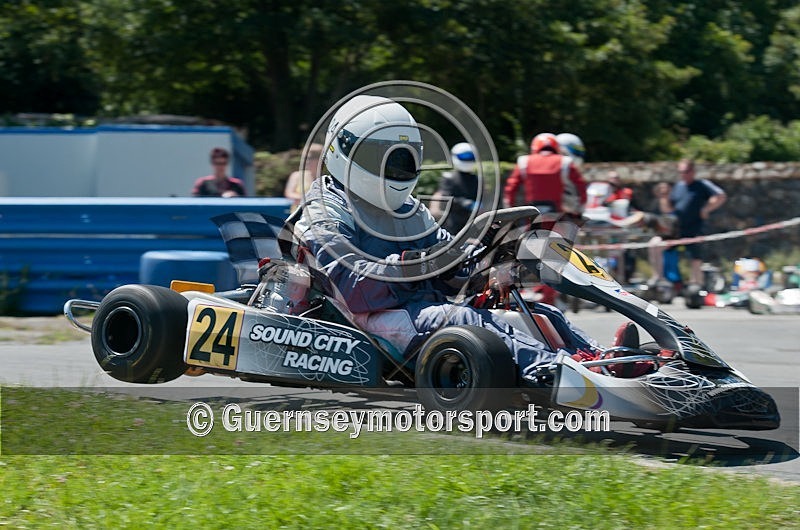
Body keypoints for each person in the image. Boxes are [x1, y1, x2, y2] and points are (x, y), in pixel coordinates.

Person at [289, 95, 601, 382]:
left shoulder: (409, 209)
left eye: (402, 159)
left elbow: (450, 259)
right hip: (370, 319)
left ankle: (602, 360)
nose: (394, 168)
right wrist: (417, 264)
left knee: (538, 313)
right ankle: (558, 373)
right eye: (381, 157)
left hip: (419, 308)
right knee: (465, 318)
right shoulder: (326, 210)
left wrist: (487, 264)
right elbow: (351, 288)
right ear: (343, 148)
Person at [669, 159, 727, 285]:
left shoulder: (701, 184)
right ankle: (668, 280)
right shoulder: (678, 186)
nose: (683, 174)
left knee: (695, 257)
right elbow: (671, 206)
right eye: (680, 172)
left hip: (695, 227)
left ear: (693, 171)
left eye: (685, 171)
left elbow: (720, 195)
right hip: (678, 227)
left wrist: (707, 209)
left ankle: (696, 284)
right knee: (660, 247)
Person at [503, 132, 587, 214]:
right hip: (557, 209)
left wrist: (509, 207)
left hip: (531, 209)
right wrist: (580, 207)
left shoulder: (524, 161)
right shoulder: (565, 161)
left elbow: (511, 186)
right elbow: (580, 185)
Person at [429, 142, 480, 234]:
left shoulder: (476, 179)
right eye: (464, 156)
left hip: (470, 219)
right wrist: (464, 202)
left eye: (470, 156)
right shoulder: (449, 177)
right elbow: (446, 198)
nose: (468, 159)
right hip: (452, 219)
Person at [284, 143, 324, 211]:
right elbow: (289, 194)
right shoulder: (296, 175)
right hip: (299, 213)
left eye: (309, 158)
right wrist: (309, 198)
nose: (306, 161)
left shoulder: (326, 178)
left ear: (319, 160)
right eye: (305, 158)